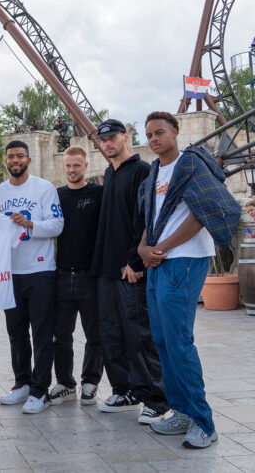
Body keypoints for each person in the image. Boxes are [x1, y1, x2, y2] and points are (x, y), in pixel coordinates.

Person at [138, 111, 240, 449]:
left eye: (160, 132)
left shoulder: (191, 164)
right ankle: (181, 411)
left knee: (179, 340)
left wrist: (160, 248)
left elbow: (201, 214)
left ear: (175, 132)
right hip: (159, 260)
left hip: (184, 258)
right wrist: (143, 247)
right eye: (149, 135)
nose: (154, 139)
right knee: (163, 340)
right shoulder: (155, 171)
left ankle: (203, 422)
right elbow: (152, 217)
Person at [91, 119, 169, 424]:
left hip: (130, 269)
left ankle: (156, 400)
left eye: (113, 137)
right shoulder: (110, 173)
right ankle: (124, 391)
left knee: (139, 336)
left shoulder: (142, 171)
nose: (108, 143)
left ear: (126, 137)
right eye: (103, 140)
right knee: (110, 333)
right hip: (107, 267)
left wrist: (135, 262)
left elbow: (147, 219)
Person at [0, 140, 64, 414]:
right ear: (6, 160)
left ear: (28, 160)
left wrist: (30, 224)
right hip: (10, 273)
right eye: (11, 156)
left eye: (20, 156)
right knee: (16, 333)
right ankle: (21, 383)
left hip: (40, 271)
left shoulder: (44, 188)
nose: (15, 160)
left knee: (42, 333)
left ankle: (39, 390)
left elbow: (57, 225)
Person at [50, 146, 103, 407]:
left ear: (86, 166)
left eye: (76, 165)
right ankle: (65, 384)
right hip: (61, 274)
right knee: (61, 334)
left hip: (90, 276)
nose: (72, 170)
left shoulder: (98, 194)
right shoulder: (56, 195)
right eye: (68, 166)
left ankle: (90, 382)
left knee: (95, 334)